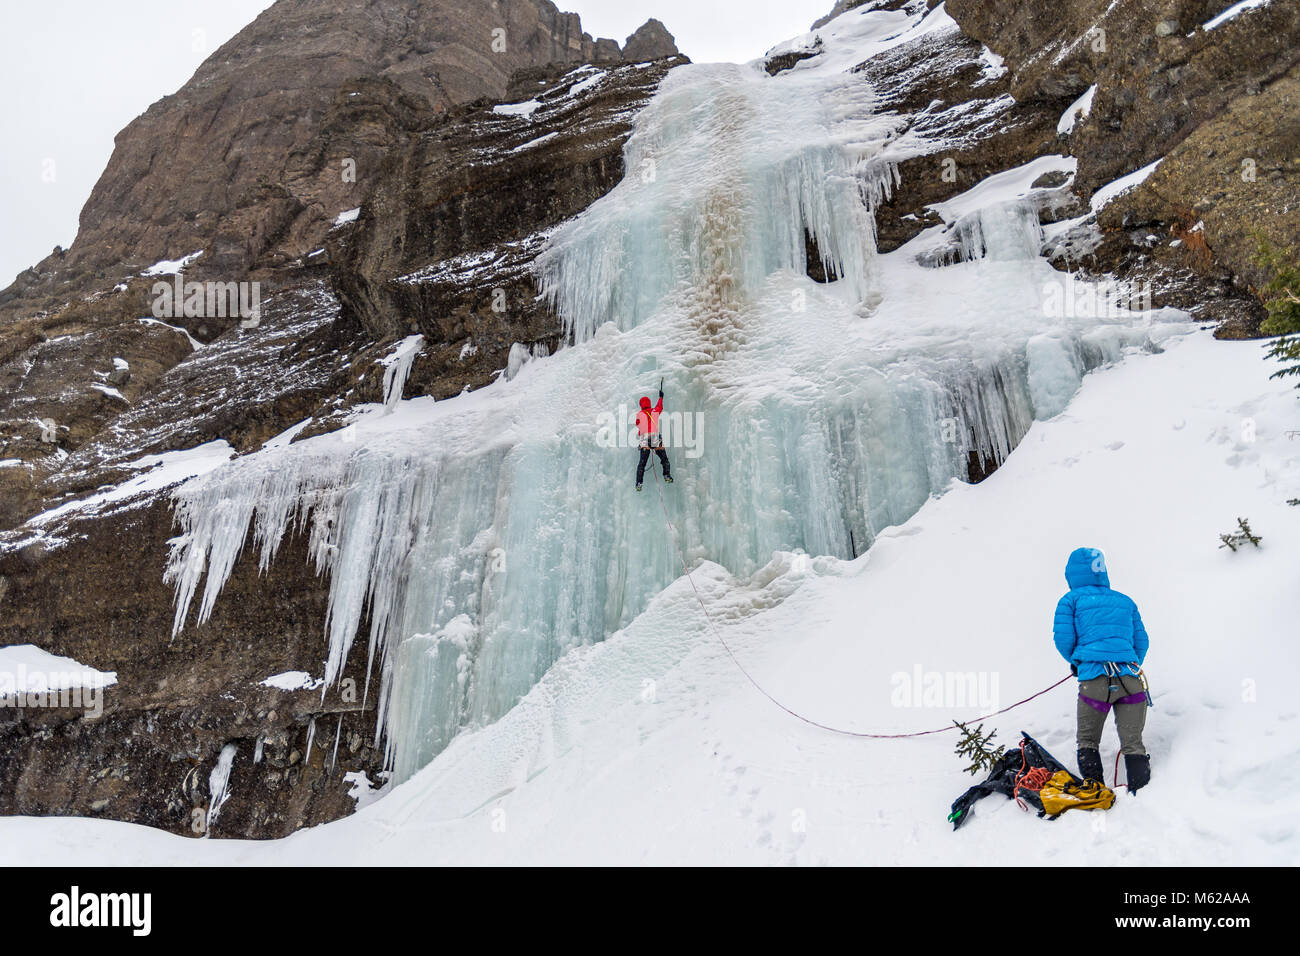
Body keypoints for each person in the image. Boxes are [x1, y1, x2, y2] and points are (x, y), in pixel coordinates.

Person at [1052, 547, 1151, 793]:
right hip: (1130, 680)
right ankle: (1141, 794)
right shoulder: (1125, 601)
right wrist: (1128, 661)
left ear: (1072, 575)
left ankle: (1096, 792)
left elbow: (1063, 640)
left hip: (1094, 682)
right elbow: (1142, 641)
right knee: (1133, 744)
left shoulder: (1071, 600)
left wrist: (1079, 662)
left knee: (1087, 740)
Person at [635, 383, 672, 491]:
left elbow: (638, 425)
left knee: (642, 463)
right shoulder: (654, 411)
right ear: (649, 403)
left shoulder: (640, 414)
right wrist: (661, 397)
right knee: (664, 459)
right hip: (655, 437)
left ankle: (639, 483)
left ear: (641, 404)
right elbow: (659, 406)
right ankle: (667, 475)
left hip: (644, 439)